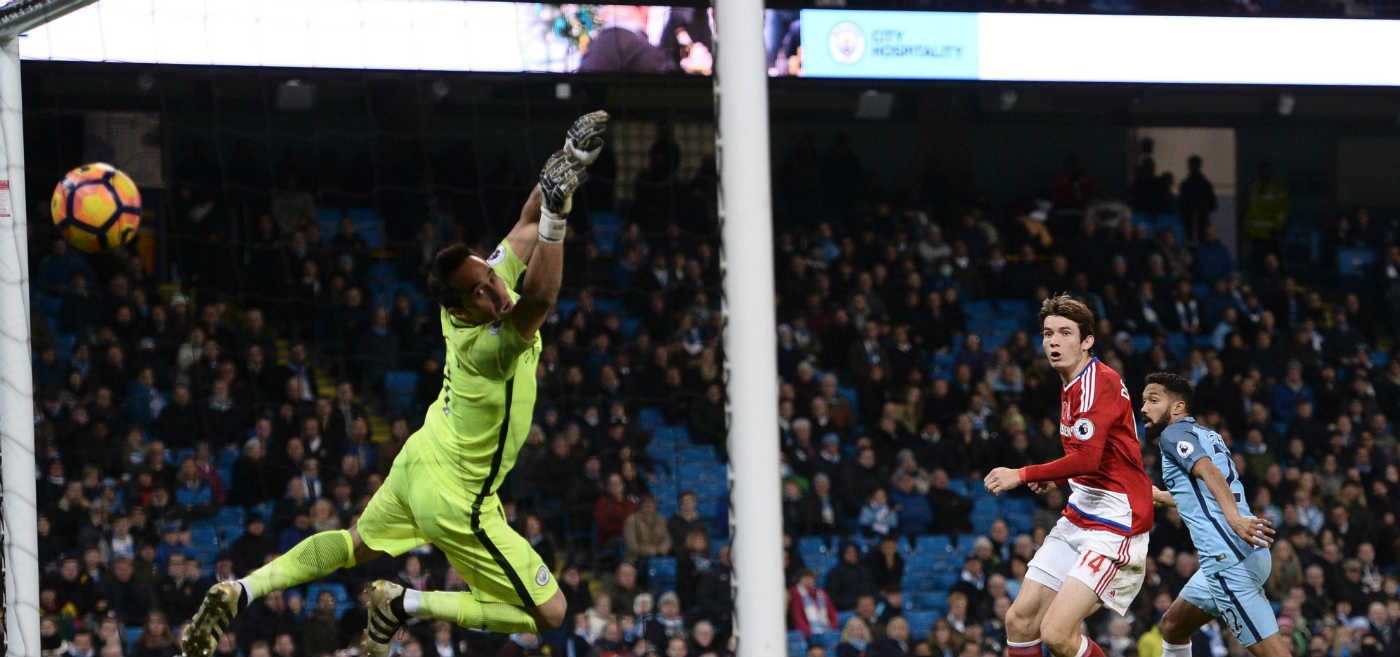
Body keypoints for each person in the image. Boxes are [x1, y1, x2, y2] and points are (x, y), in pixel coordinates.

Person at [178, 111, 611, 657]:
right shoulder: (488, 345)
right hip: (458, 498)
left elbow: (525, 221)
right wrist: (558, 217)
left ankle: (245, 588)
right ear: (460, 309)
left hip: (420, 457)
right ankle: (406, 604)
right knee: (550, 613)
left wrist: (566, 165)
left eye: (489, 276)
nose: (496, 291)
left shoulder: (476, 292)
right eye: (481, 292)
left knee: (355, 544)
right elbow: (544, 295)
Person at [983, 295, 1153, 657]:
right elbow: (1094, 452)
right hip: (1081, 512)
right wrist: (1058, 477)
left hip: (1116, 523)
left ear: (1087, 340)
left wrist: (1023, 473)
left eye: (1065, 333)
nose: (1054, 342)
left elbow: (1088, 458)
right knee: (1020, 619)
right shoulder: (1073, 382)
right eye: (1047, 334)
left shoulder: (1098, 384)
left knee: (1057, 634)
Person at [1140, 372, 1290, 657]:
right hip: (1242, 552)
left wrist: (1234, 519)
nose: (1144, 407)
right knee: (1173, 626)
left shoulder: (1172, 435)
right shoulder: (1208, 435)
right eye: (1144, 401)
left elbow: (1208, 472)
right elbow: (1206, 490)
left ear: (1178, 407)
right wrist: (1162, 497)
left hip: (1227, 561)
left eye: (1153, 400)